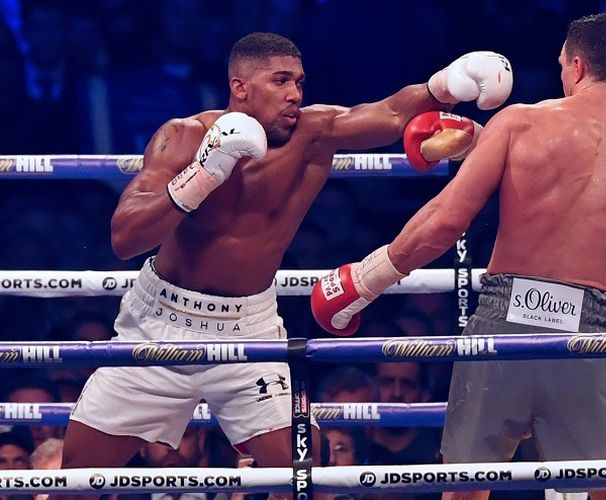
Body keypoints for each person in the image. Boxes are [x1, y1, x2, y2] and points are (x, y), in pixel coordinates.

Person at [58, 32, 512, 500]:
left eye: (299, 81)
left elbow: (391, 113)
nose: (295, 93)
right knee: (77, 478)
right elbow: (124, 237)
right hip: (159, 325)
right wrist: (205, 175)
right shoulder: (185, 136)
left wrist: (445, 85)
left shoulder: (312, 133)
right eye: (280, 81)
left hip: (247, 328)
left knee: (304, 469)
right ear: (241, 87)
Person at [312, 13, 606, 500]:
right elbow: (592, 193)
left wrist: (365, 279)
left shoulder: (523, 122)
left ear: (576, 65)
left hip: (507, 318)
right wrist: (487, 147)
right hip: (587, 329)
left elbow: (446, 219)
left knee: (465, 484)